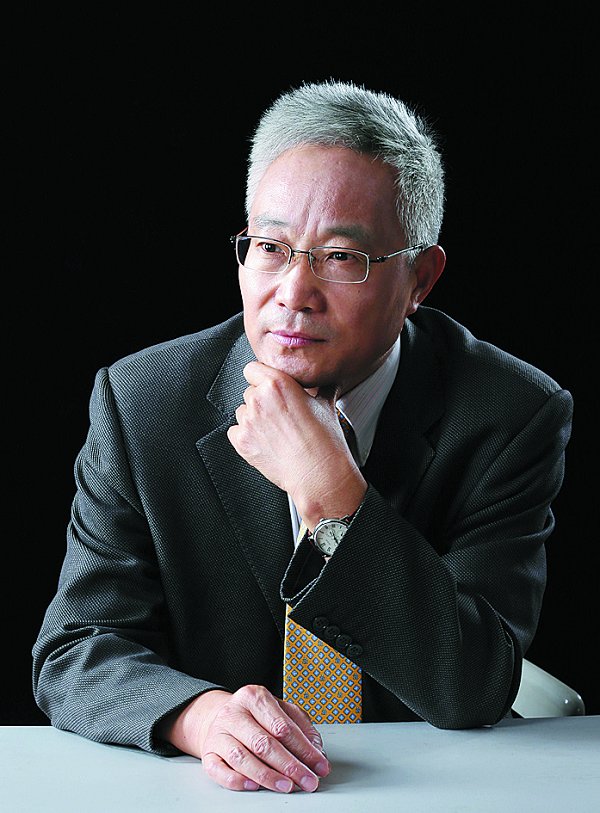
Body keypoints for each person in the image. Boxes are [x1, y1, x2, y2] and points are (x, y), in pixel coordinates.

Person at [32, 80, 573, 794]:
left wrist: (335, 498)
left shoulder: (509, 413)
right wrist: (200, 718)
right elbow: (76, 648)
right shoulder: (143, 403)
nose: (292, 293)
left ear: (420, 278)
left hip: (425, 791)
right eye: (270, 246)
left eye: (341, 257)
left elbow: (471, 686)